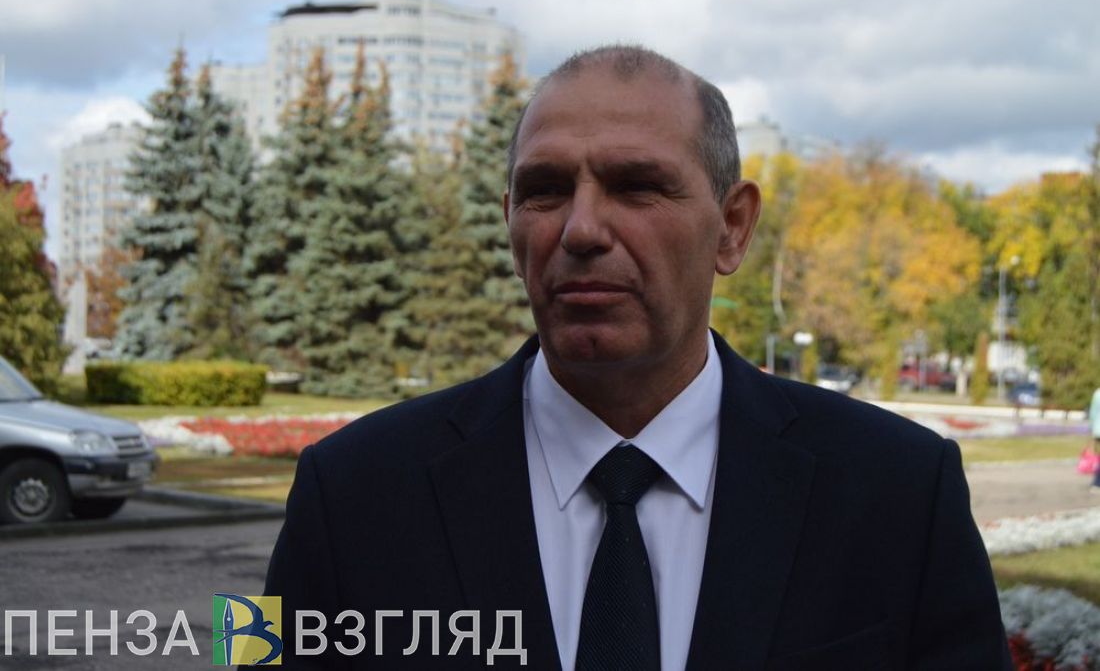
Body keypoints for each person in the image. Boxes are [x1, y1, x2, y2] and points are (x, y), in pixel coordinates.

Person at [265, 45, 1012, 669]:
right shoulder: (345, 489)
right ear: (510, 225)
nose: (581, 230)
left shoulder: (902, 491)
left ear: (732, 227)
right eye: (545, 190)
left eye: (636, 187)